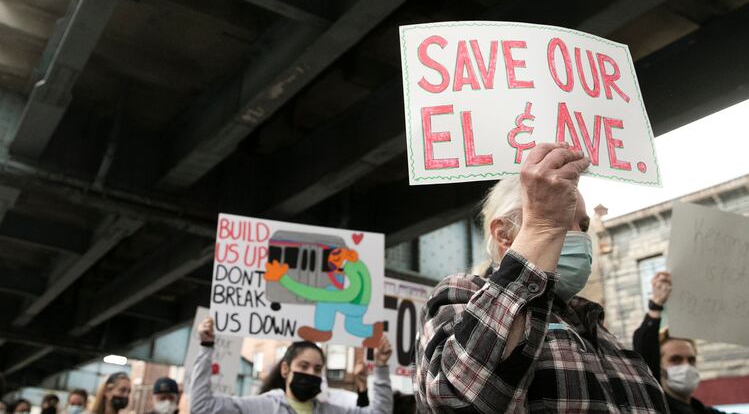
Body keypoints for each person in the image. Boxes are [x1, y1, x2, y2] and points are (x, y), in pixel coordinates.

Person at [415, 143, 669, 412]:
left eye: (583, 225)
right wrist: (543, 226)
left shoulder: (601, 334)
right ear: (503, 235)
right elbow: (459, 399)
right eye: (560, 217)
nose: (579, 235)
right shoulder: (462, 293)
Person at [192, 316, 394, 414]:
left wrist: (381, 367)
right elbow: (202, 407)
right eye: (304, 366)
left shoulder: (331, 411)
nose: (311, 373)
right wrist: (206, 347)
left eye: (317, 369)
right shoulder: (262, 407)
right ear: (285, 370)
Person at [633, 271, 731, 414]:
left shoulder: (706, 412)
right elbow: (645, 349)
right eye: (675, 359)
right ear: (659, 366)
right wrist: (656, 304)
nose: (686, 366)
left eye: (691, 360)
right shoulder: (656, 408)